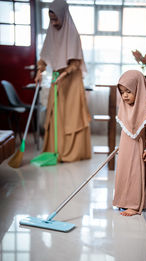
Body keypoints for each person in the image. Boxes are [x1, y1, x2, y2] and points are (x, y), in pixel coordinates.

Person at [35, 0, 91, 162]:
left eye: (55, 19)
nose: (53, 23)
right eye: (51, 19)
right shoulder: (51, 32)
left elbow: (76, 63)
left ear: (63, 15)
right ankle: (55, 150)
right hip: (57, 81)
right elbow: (45, 56)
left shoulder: (73, 34)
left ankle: (72, 152)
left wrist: (63, 74)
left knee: (71, 116)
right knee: (55, 114)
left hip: (71, 81)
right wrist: (40, 70)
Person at [113, 70, 146, 216]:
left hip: (139, 148)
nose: (125, 95)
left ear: (139, 90)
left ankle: (134, 204)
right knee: (124, 173)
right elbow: (125, 130)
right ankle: (123, 200)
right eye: (122, 92)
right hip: (126, 148)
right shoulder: (124, 108)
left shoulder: (145, 110)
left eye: (129, 91)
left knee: (135, 174)